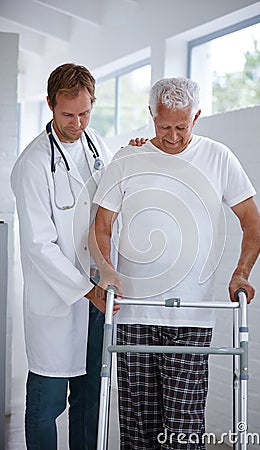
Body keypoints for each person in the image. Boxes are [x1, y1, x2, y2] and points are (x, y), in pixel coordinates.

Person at [89, 77, 260, 449]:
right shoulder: (128, 158)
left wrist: (241, 272)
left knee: (183, 430)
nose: (171, 136)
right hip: (134, 313)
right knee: (139, 430)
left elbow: (252, 222)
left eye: (181, 127)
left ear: (197, 116)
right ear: (151, 115)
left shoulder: (218, 157)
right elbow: (101, 226)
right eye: (163, 125)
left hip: (193, 316)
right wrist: (107, 270)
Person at [10, 63, 114, 450]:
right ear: (51, 105)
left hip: (97, 294)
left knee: (89, 399)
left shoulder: (96, 145)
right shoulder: (33, 163)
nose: (77, 123)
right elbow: (39, 244)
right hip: (61, 298)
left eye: (85, 113)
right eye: (68, 114)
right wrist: (86, 289)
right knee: (46, 402)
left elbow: (111, 199)